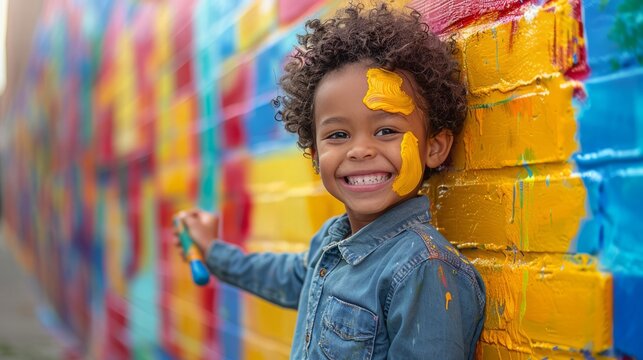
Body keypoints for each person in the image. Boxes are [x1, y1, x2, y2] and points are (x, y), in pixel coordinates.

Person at [174, 3, 485, 359]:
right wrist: (213, 251)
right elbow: (287, 278)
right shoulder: (331, 242)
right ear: (316, 152)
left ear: (434, 147)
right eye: (338, 135)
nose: (360, 150)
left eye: (386, 130)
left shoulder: (425, 270)